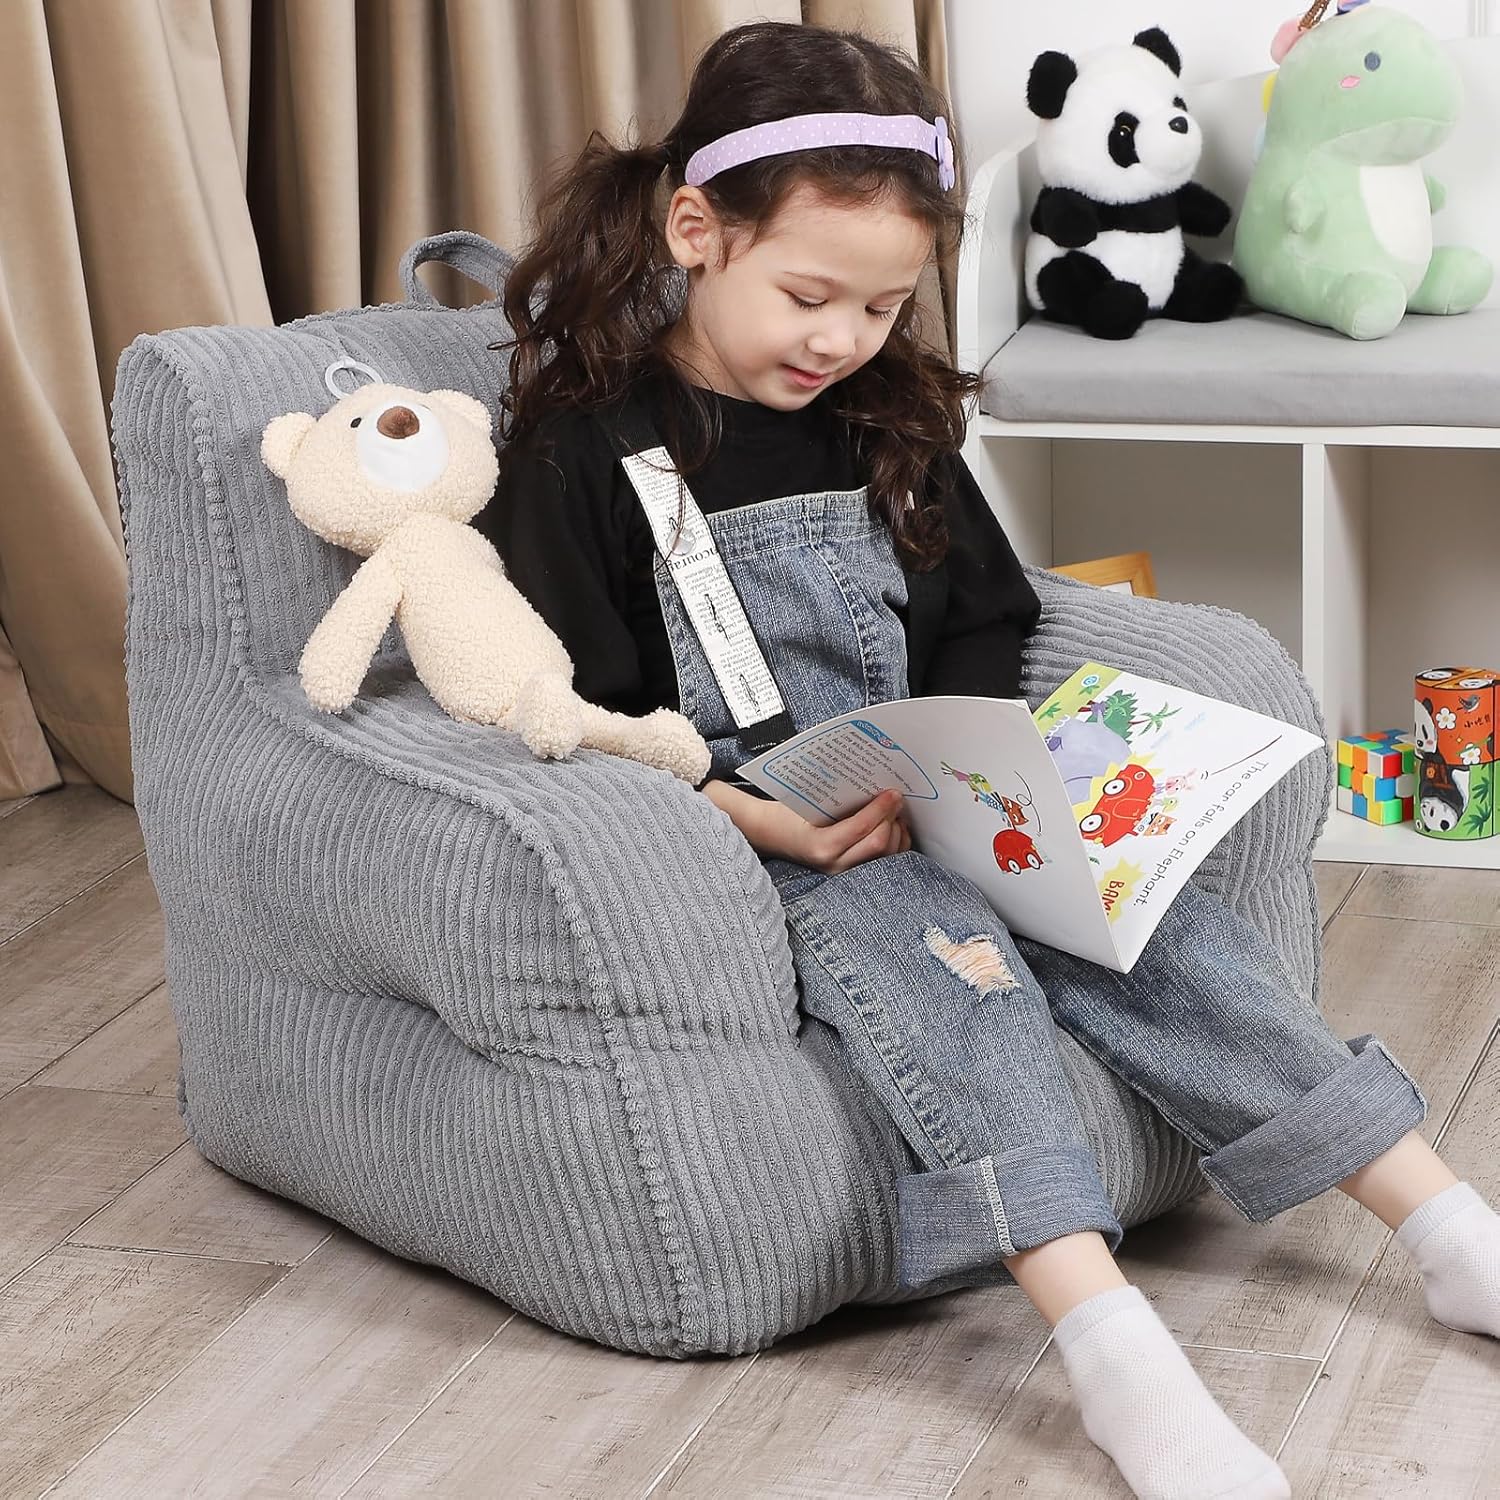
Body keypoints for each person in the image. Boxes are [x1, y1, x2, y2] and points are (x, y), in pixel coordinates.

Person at [480, 21, 1499, 1499]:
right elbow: (583, 703)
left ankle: (1449, 1230)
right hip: (784, 839)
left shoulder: (880, 418)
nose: (841, 339)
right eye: (808, 297)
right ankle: (1114, 1352)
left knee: (1162, 934)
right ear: (696, 230)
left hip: (946, 792)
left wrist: (973, 766)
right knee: (956, 986)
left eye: (883, 306)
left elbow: (983, 615)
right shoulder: (586, 449)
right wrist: (763, 817)